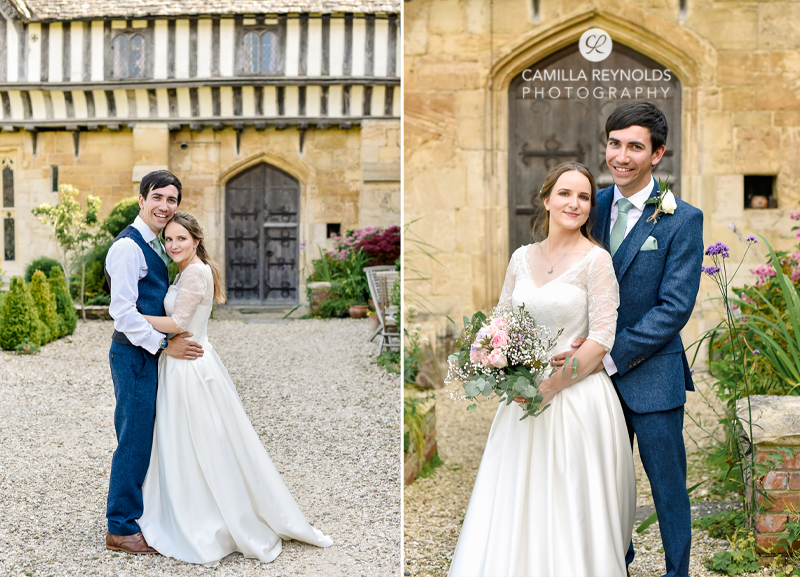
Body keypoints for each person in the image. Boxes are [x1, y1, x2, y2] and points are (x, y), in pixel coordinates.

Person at [447, 162, 636, 576]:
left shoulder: (596, 261)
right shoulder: (521, 258)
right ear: (546, 199)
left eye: (584, 197)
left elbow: (603, 337)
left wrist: (550, 387)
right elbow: (500, 322)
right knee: (517, 494)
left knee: (570, 498)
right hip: (521, 398)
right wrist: (491, 359)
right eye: (565, 193)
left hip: (576, 398)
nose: (575, 203)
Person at [554, 101, 703, 577]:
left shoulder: (682, 219)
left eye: (635, 147)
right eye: (614, 144)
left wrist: (606, 355)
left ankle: (677, 571)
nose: (621, 156)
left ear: (657, 154)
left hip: (652, 375)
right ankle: (614, 564)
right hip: (591, 383)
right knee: (602, 484)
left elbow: (674, 308)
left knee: (667, 488)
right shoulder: (589, 205)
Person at [136, 212, 333, 565]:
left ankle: (207, 516)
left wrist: (131, 318)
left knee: (200, 442)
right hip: (182, 362)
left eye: (181, 238)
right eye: (169, 239)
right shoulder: (186, 270)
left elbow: (178, 322)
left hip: (190, 368)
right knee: (186, 441)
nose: (173, 245)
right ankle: (187, 506)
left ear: (196, 240)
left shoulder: (195, 272)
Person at [104, 170, 204, 555]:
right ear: (141, 199)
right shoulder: (128, 248)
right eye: (157, 197)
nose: (165, 206)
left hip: (147, 355)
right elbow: (123, 313)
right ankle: (120, 527)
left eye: (172, 199)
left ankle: (146, 514)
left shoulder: (157, 242)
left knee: (150, 436)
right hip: (133, 355)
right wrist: (164, 345)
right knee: (134, 439)